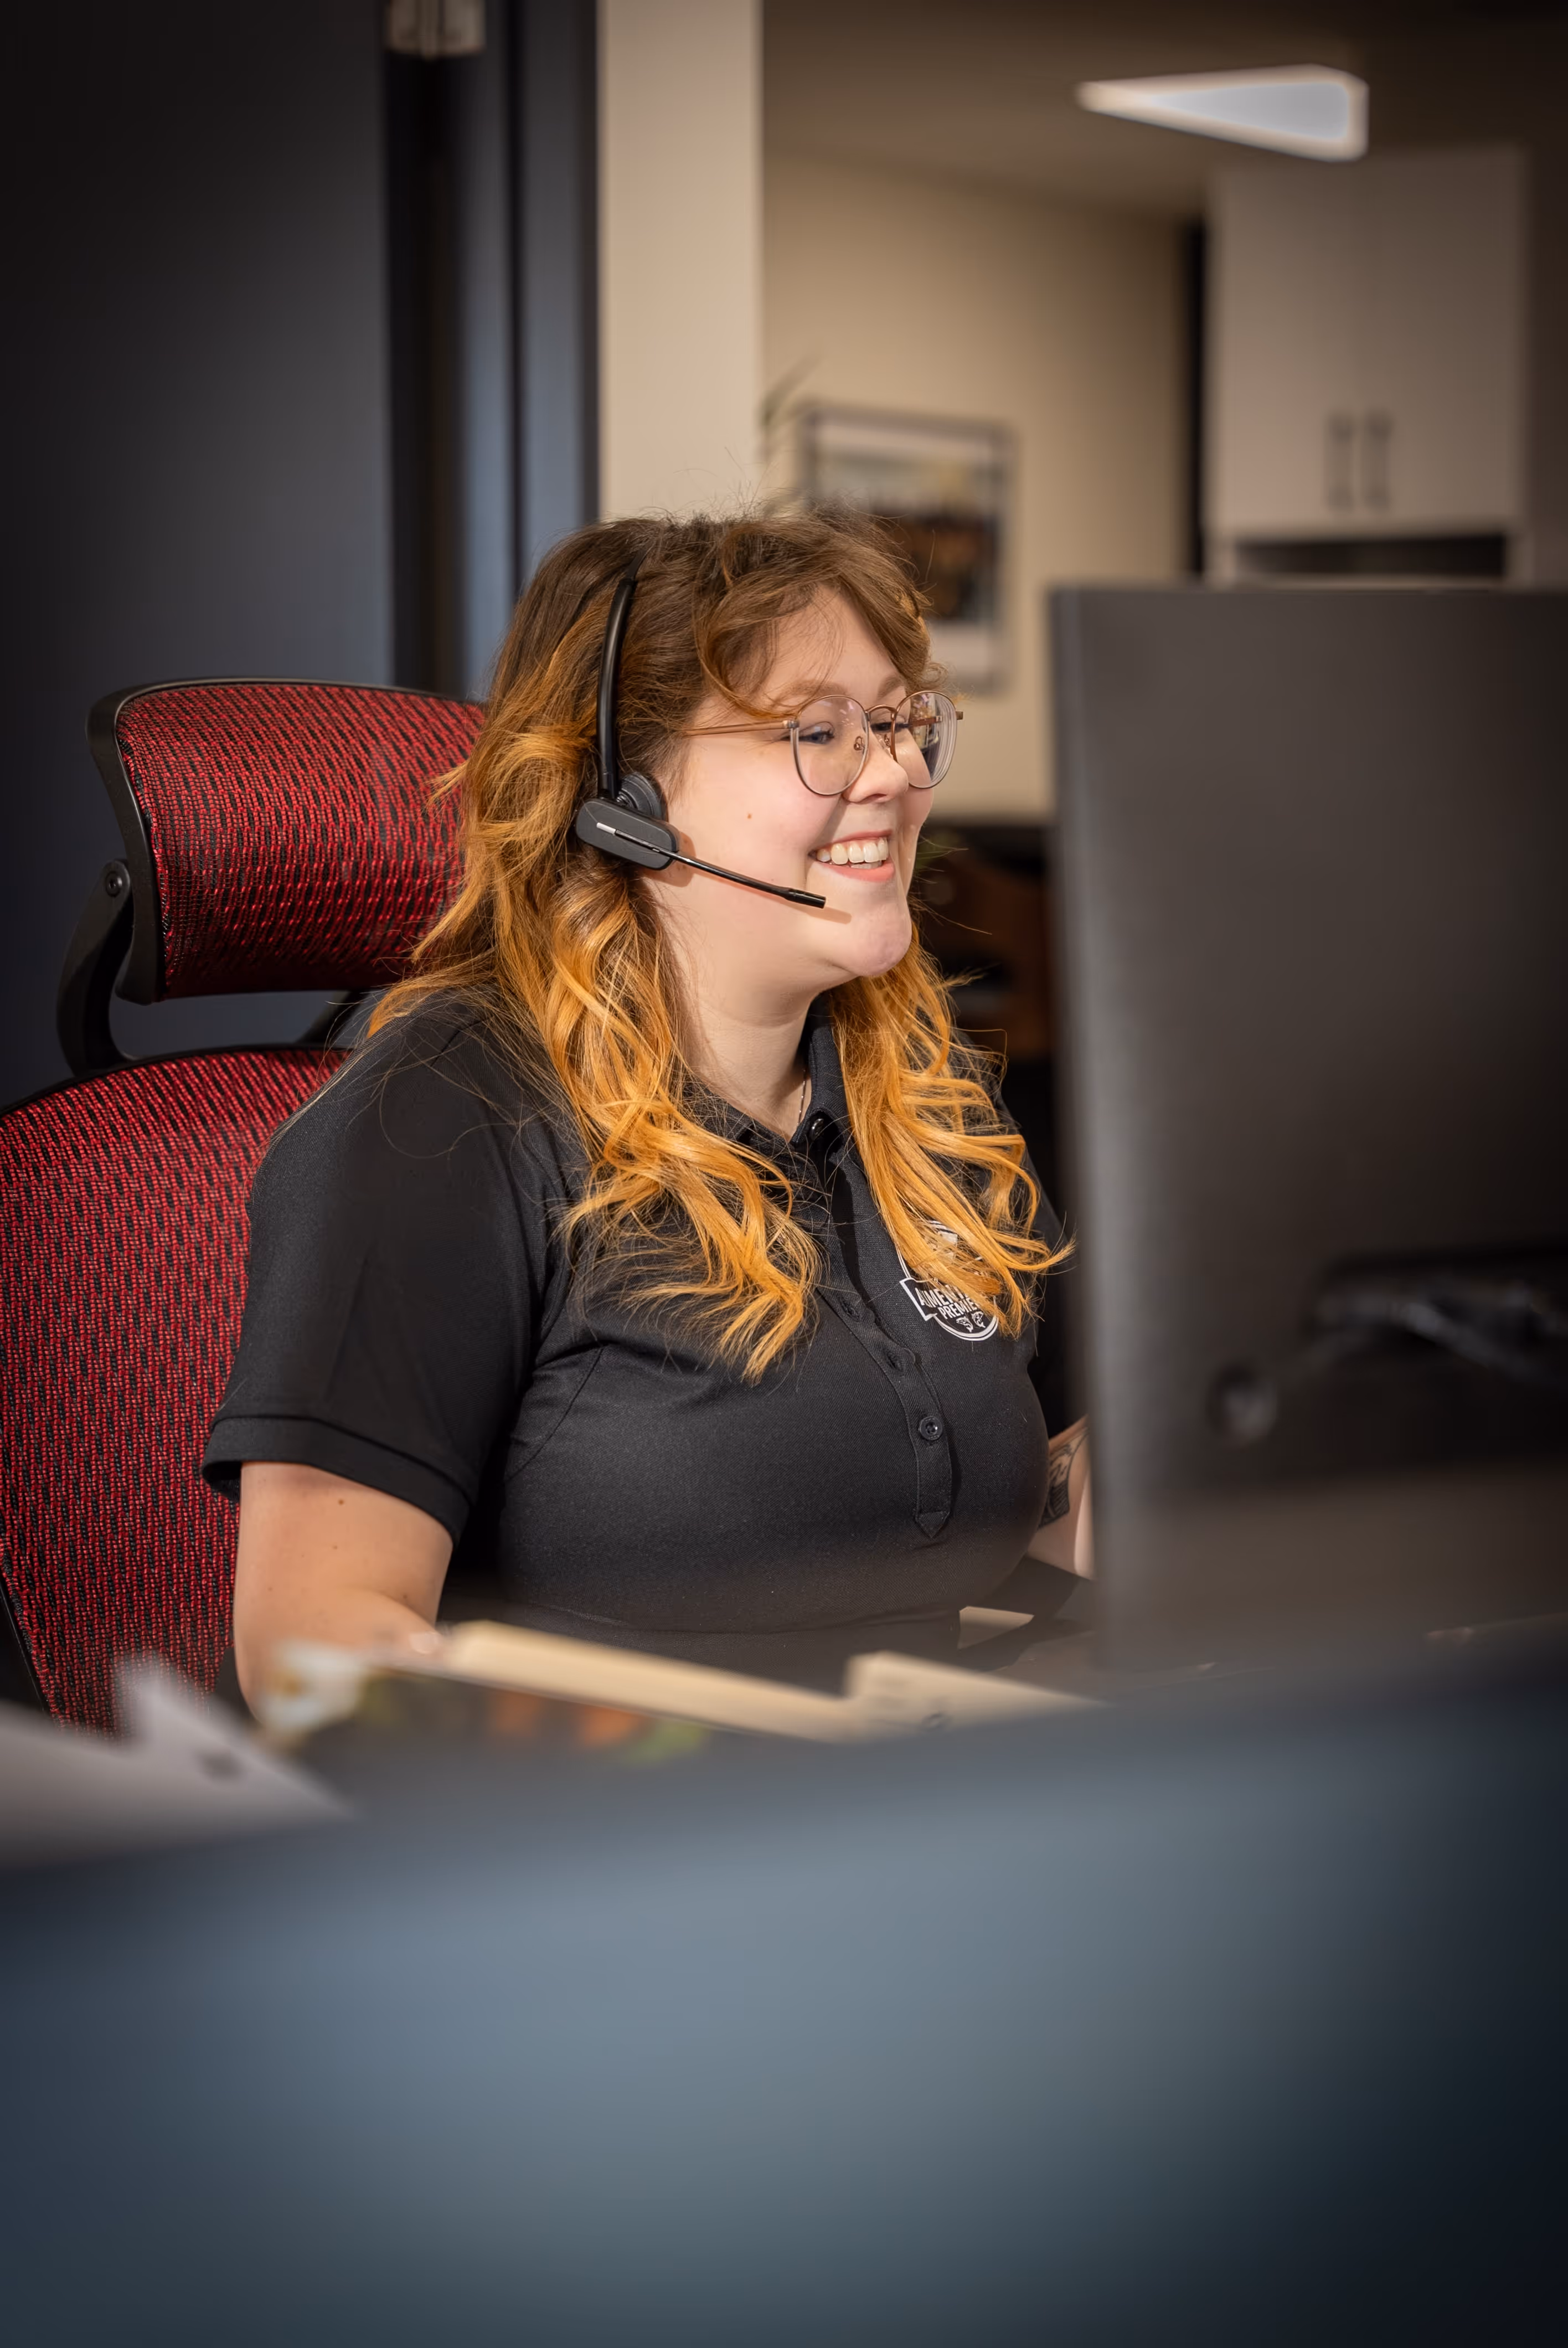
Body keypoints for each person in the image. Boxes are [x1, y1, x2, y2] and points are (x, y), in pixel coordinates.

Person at [205, 510, 1091, 1708]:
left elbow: (944, 1522)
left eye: (901, 720)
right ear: (624, 794)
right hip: (603, 1848)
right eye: (819, 731)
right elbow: (317, 1650)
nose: (896, 771)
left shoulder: (929, 1107)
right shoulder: (448, 1114)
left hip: (920, 1820)